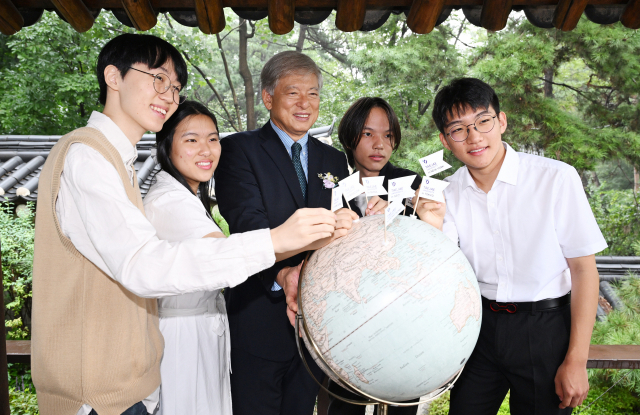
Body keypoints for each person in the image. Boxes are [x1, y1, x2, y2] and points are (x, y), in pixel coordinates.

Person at [31, 34, 342, 415]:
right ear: (114, 77)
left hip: (127, 381)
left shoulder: (119, 163)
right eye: (157, 78)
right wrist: (275, 241)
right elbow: (144, 265)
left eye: (175, 86)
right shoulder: (87, 157)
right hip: (97, 390)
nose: (168, 94)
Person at [414, 77, 606, 415]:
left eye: (483, 121)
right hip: (480, 328)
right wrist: (430, 222)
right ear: (445, 141)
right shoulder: (447, 193)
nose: (474, 137)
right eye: (458, 129)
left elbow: (583, 269)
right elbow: (443, 272)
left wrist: (577, 359)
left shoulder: (556, 178)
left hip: (545, 328)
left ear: (501, 121)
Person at [214, 51, 359, 415]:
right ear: (268, 97)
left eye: (313, 94)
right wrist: (284, 274)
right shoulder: (238, 150)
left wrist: (356, 218)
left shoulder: (334, 160)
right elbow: (246, 222)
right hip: (260, 318)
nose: (305, 104)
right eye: (293, 93)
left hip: (315, 328)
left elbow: (349, 216)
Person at [326, 97, 421, 415]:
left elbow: (431, 244)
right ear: (350, 137)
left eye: (388, 135)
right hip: (348, 320)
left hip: (403, 317)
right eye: (368, 134)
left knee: (402, 402)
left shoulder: (412, 185)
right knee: (345, 403)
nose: (379, 144)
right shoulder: (333, 184)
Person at [142, 101, 229, 415]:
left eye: (213, 139)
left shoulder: (188, 196)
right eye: (191, 140)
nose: (206, 150)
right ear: (166, 146)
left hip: (199, 331)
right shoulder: (169, 201)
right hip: (182, 339)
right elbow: (224, 258)